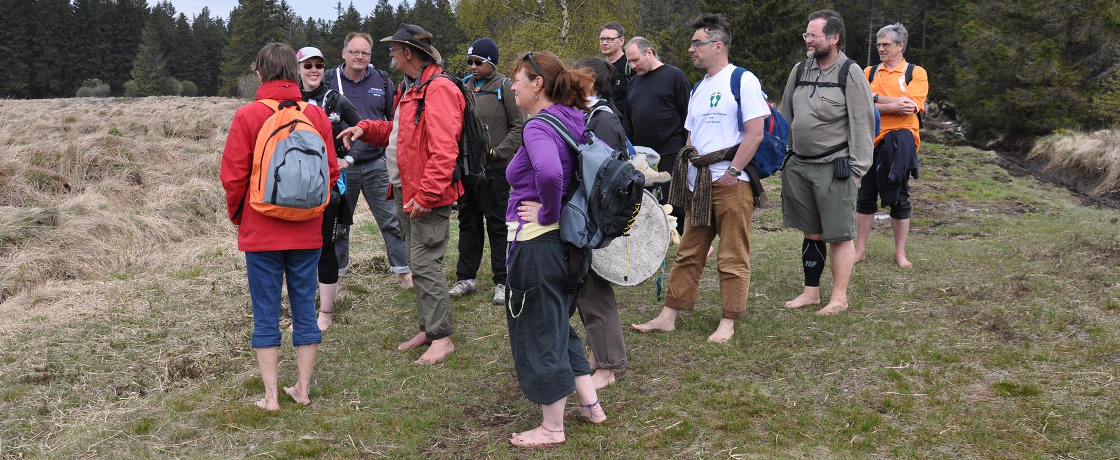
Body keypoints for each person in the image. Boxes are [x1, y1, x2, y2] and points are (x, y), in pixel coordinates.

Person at [630, 13, 768, 343]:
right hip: (699, 186)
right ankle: (669, 315)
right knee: (689, 251)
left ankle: (728, 321)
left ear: (717, 45)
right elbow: (691, 138)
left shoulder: (743, 80)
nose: (691, 49)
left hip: (732, 185)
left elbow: (755, 133)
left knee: (732, 255)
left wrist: (733, 173)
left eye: (697, 43)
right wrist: (690, 178)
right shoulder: (699, 87)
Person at [219, 43, 339, 409]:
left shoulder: (248, 115)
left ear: (259, 73)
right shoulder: (315, 116)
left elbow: (233, 177)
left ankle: (270, 396)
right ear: (295, 71)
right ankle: (302, 389)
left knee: (265, 311)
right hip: (307, 231)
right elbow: (331, 172)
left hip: (261, 232)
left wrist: (241, 218)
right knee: (305, 308)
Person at [339, 24, 463, 365]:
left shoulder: (438, 89)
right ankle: (428, 328)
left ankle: (442, 338)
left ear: (409, 52)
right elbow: (396, 133)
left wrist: (426, 195)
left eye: (394, 48)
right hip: (406, 191)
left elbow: (444, 150)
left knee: (425, 265)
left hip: (426, 196)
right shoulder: (412, 88)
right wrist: (364, 128)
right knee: (417, 262)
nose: (388, 54)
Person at [503, 50, 606, 448]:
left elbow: (550, 172)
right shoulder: (571, 118)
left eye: (518, 79)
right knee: (561, 325)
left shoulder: (536, 126)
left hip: (539, 243)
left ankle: (552, 427)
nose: (513, 85)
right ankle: (591, 405)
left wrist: (548, 212)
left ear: (537, 84)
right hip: (568, 246)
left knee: (541, 330)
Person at [778, 9, 876, 315]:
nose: (808, 40)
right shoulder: (800, 70)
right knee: (812, 231)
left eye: (813, 35)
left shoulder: (850, 72)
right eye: (806, 34)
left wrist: (858, 171)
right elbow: (786, 116)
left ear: (833, 38)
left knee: (839, 235)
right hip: (800, 165)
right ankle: (811, 292)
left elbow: (863, 123)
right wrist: (786, 154)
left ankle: (839, 298)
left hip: (836, 167)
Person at [326, 32, 413, 290]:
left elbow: (392, 121)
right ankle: (336, 277)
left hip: (376, 164)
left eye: (365, 52)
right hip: (342, 167)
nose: (360, 56)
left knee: (392, 222)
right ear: (344, 53)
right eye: (354, 51)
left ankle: (404, 272)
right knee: (339, 224)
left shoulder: (383, 80)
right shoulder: (330, 80)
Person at [448, 38, 528, 305]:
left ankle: (502, 281)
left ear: (491, 63)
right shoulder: (463, 86)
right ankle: (466, 278)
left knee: (497, 224)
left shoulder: (505, 86)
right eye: (469, 62)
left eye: (478, 62)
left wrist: (498, 152)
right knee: (468, 223)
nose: (472, 66)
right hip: (469, 170)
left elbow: (519, 127)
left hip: (496, 170)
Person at [570, 57, 629, 389]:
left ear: (589, 84)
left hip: (597, 221)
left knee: (596, 292)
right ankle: (598, 355)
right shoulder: (593, 116)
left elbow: (603, 177)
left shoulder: (602, 120)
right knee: (587, 290)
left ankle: (608, 367)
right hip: (591, 219)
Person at [296, 46, 360, 331]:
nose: (313, 71)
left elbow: (365, 129)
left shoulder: (335, 100)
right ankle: (302, 311)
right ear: (298, 68)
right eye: (307, 65)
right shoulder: (289, 100)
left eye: (318, 66)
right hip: (294, 188)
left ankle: (325, 313)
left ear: (325, 69)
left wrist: (349, 158)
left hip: (329, 187)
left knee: (326, 248)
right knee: (298, 250)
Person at [855, 23, 928, 268]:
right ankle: (859, 251)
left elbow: (910, 106)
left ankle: (900, 253)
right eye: (878, 45)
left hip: (900, 143)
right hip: (870, 139)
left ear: (900, 46)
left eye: (886, 45)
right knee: (865, 195)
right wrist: (891, 105)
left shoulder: (915, 73)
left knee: (899, 196)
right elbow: (859, 105)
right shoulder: (869, 72)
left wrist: (875, 101)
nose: (881, 49)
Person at [623, 36, 690, 231]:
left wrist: (686, 150)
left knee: (674, 203)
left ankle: (684, 244)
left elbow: (688, 115)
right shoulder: (633, 83)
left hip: (671, 151)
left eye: (636, 60)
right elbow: (628, 121)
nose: (633, 65)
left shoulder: (674, 76)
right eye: (629, 61)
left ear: (649, 53)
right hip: (642, 156)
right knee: (646, 205)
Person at [599, 22, 632, 125]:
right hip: (604, 126)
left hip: (626, 129)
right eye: (602, 39)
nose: (604, 43)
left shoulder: (631, 65)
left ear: (621, 41)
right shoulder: (598, 67)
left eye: (609, 39)